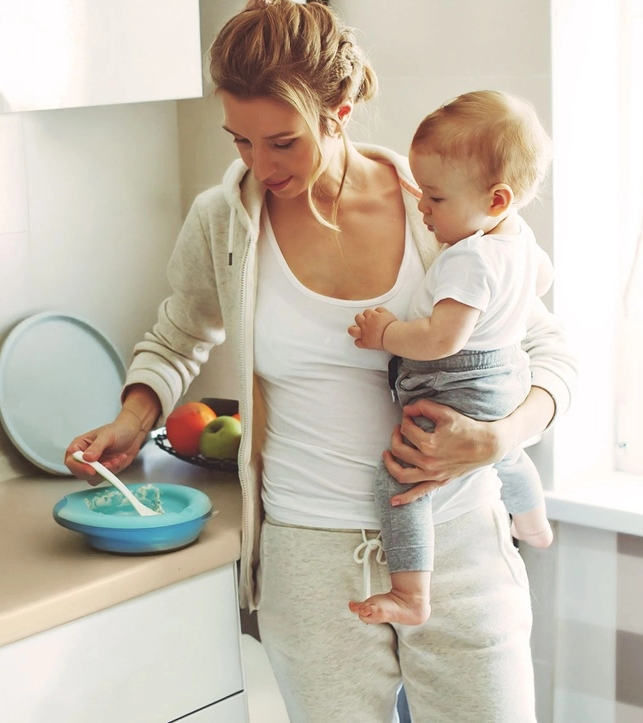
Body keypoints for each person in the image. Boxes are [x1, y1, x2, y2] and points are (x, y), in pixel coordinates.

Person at [64, 2, 576, 720]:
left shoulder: (438, 210)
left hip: (459, 541)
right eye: (241, 140)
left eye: (283, 142)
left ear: (339, 113)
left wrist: (500, 437)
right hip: (311, 558)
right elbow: (178, 335)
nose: (259, 165)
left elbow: (549, 351)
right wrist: (132, 415)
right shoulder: (225, 222)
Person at [346, 90, 557, 628]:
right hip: (508, 376)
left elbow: (442, 340)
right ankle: (533, 523)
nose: (423, 208)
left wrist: (387, 333)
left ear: (496, 199)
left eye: (436, 199)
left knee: (399, 482)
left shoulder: (470, 258)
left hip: (457, 385)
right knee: (508, 455)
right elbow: (543, 279)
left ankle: (410, 593)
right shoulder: (519, 237)